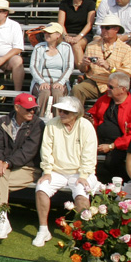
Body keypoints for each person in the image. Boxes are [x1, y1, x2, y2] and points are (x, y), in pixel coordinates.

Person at [32, 97, 98, 247]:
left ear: (76, 114)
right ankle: (43, 230)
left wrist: (83, 175)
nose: (61, 113)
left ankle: (80, 235)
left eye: (65, 112)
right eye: (60, 110)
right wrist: (47, 171)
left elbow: (89, 153)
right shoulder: (52, 124)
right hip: (56, 171)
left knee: (81, 196)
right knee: (41, 189)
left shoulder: (86, 126)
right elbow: (46, 149)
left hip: (81, 173)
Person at [0, 93, 45, 240]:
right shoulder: (3, 121)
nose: (32, 112)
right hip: (7, 167)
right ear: (17, 107)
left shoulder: (38, 125)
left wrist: (6, 163)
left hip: (30, 168)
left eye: (34, 109)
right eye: (28, 109)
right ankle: (1, 219)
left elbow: (28, 152)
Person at [88, 72, 131, 182]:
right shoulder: (103, 100)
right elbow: (92, 114)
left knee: (112, 162)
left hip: (120, 145)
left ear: (123, 89)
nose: (107, 89)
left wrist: (112, 146)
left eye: (111, 87)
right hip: (98, 139)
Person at [71, 13, 131, 106]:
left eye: (107, 27)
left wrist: (109, 68)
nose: (104, 30)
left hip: (115, 85)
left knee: (118, 92)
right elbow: (83, 70)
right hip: (94, 82)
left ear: (116, 29)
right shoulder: (92, 45)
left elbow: (127, 75)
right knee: (77, 89)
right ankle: (76, 117)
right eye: (102, 27)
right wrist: (84, 64)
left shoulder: (126, 49)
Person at [29, 22, 73, 115]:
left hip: (60, 81)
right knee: (44, 91)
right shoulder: (38, 47)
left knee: (58, 91)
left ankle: (58, 120)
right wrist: (42, 81)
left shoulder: (66, 47)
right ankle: (37, 120)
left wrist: (60, 82)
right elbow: (33, 67)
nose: (46, 34)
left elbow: (69, 67)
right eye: (45, 32)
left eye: (49, 33)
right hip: (41, 81)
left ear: (58, 35)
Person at [58, 0, 96, 66]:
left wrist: (79, 37)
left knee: (76, 45)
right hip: (67, 33)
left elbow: (89, 24)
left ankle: (81, 70)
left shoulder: (90, 4)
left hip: (84, 34)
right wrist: (66, 35)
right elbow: (61, 23)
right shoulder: (64, 3)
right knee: (57, 43)